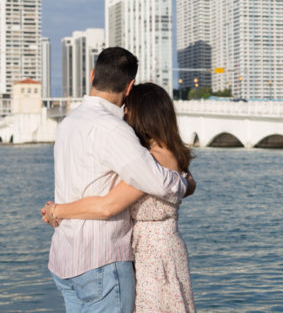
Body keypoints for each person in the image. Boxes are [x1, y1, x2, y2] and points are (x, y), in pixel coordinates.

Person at [43, 47, 190, 312]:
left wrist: (57, 210)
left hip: (65, 258)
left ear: (91, 76)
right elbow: (158, 183)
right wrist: (183, 181)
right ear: (129, 86)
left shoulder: (68, 123)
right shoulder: (114, 130)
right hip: (100, 259)